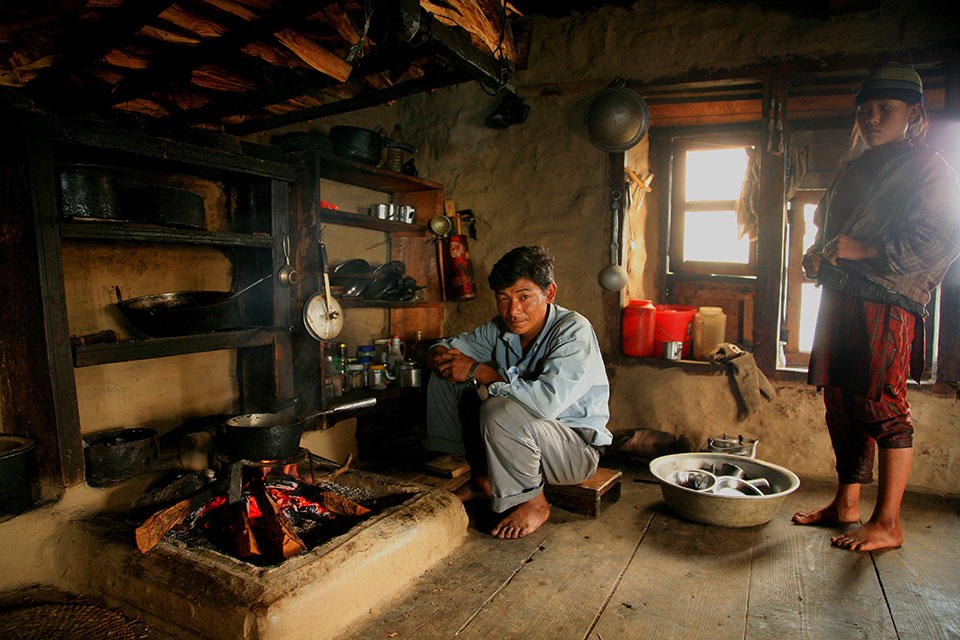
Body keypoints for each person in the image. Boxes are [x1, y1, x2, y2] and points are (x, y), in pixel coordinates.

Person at [792, 62, 960, 551]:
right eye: (865, 109)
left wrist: (862, 251)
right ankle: (846, 504)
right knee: (841, 401)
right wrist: (818, 256)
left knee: (882, 405)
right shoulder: (853, 170)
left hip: (887, 299)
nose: (873, 117)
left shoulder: (929, 167)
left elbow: (940, 237)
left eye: (886, 108)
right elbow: (827, 230)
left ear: (913, 113)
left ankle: (888, 522)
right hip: (841, 294)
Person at [425, 246, 611, 539]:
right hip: (524, 443)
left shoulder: (573, 331)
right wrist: (440, 353)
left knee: (499, 409)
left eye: (525, 297)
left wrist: (481, 371)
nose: (513, 311)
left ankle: (534, 503)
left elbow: (545, 404)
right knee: (449, 377)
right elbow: (452, 348)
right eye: (503, 298)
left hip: (572, 451)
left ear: (549, 294)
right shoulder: (499, 328)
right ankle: (482, 480)